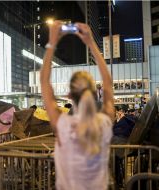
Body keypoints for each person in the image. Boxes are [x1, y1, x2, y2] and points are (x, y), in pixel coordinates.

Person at [40, 20, 115, 190]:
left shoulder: (63, 125)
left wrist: (52, 42)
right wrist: (91, 43)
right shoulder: (104, 123)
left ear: (69, 96)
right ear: (95, 92)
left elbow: (44, 82)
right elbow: (108, 84)